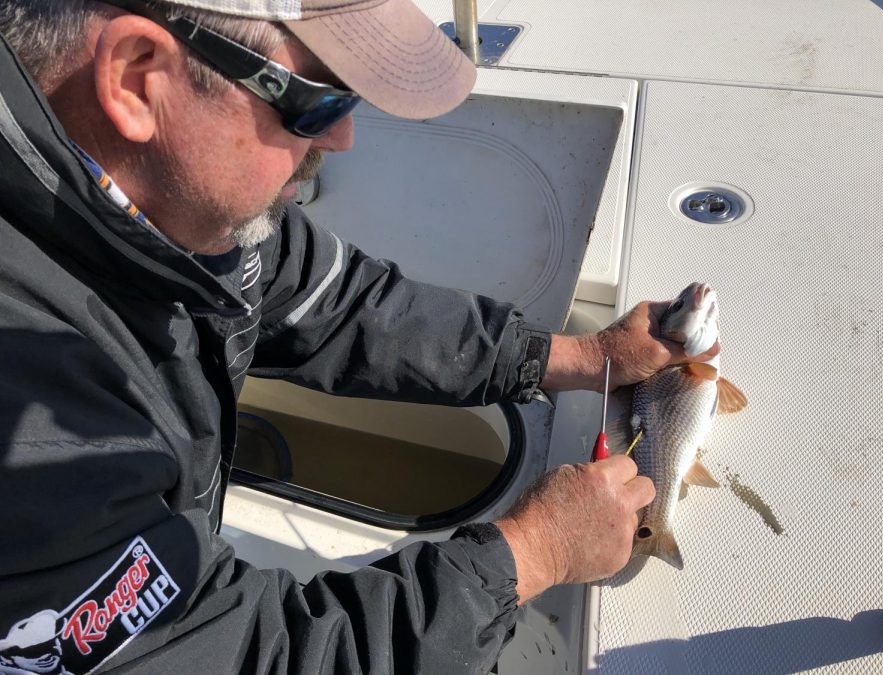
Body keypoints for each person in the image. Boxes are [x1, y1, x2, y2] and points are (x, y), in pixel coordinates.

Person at [0, 1, 718, 672]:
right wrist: (533, 553)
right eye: (317, 99)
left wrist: (580, 357)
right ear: (136, 78)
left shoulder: (184, 207)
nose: (343, 136)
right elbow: (239, 653)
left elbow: (340, 304)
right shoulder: (29, 411)